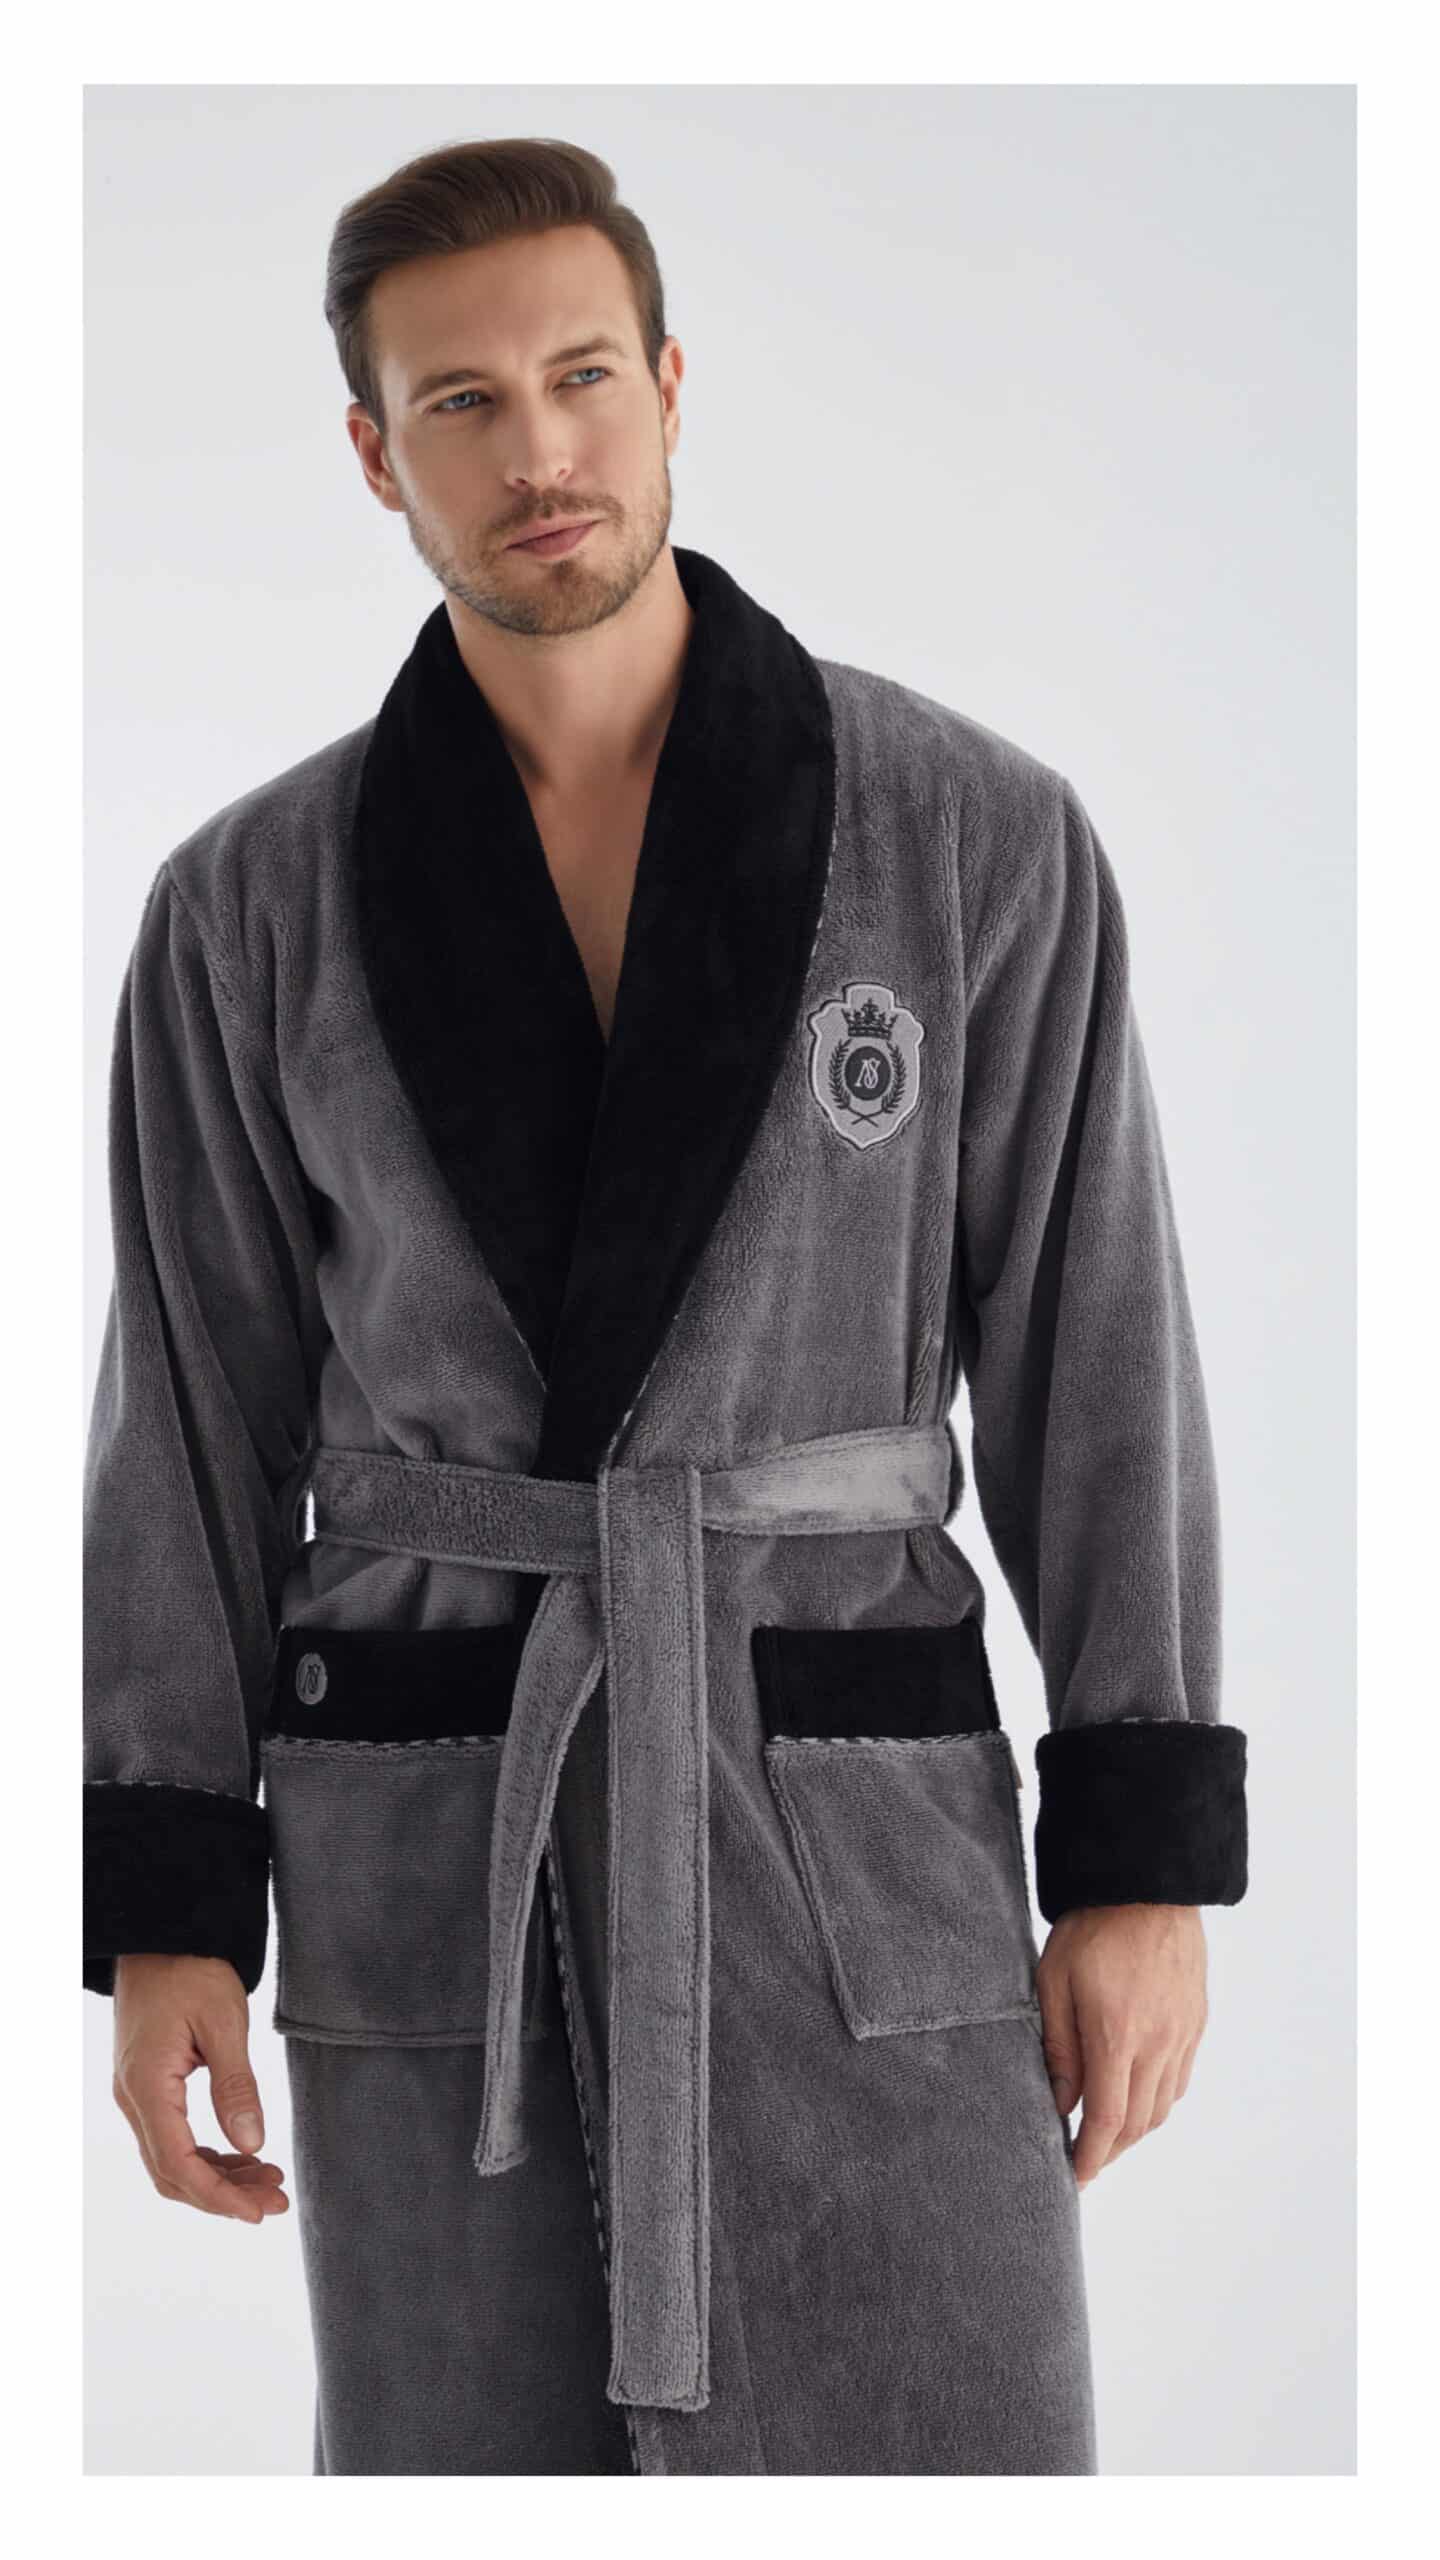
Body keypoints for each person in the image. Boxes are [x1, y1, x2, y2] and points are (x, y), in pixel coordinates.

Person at [83, 136, 1248, 2478]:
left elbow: (1097, 1352)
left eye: (583, 375)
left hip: (844, 1812)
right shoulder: (247, 909)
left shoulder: (972, 839)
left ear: (673, 383)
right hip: (446, 1830)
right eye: (462, 401)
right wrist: (171, 1903)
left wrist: (1139, 1852)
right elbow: (189, 1429)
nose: (540, 450)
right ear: (373, 453)